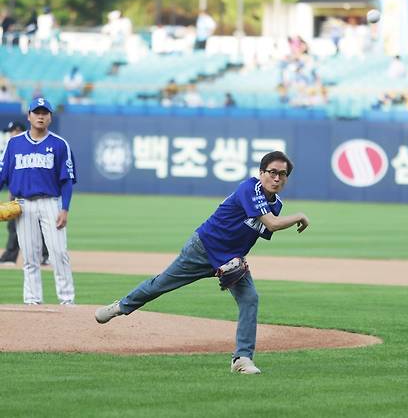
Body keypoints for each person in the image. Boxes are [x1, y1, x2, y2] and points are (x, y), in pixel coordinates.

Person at [95, 151, 310, 375]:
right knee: (161, 284)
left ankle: (242, 359)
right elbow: (272, 224)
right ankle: (120, 307)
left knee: (250, 299)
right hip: (202, 248)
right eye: (272, 172)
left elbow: (250, 233)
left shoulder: (276, 204)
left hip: (229, 260)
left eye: (282, 175)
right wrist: (300, 215)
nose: (277, 178)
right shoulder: (250, 188)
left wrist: (237, 260)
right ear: (261, 173)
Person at [0, 98, 77, 305]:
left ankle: (67, 299)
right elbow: (2, 175)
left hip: (51, 203)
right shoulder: (13, 144)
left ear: (50, 117)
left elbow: (67, 181)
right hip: (22, 205)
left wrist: (65, 208)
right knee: (30, 257)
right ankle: (32, 300)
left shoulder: (60, 144)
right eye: (37, 112)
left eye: (45, 112)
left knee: (59, 253)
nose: (40, 116)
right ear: (29, 116)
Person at [0, 121, 50, 266]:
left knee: (36, 225)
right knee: (16, 225)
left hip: (33, 195)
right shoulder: (13, 147)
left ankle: (13, 257)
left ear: (18, 130)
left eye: (11, 131)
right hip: (19, 194)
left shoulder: (26, 147)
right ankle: (42, 256)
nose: (9, 134)